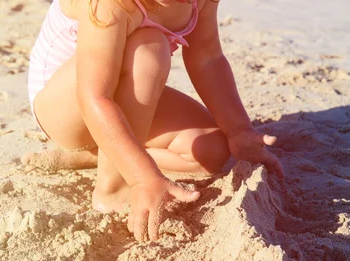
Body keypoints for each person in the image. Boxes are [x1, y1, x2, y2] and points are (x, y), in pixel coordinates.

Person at [23, 0, 284, 241]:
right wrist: (141, 178)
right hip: (66, 107)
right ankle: (112, 188)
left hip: (118, 91)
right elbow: (94, 96)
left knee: (210, 151)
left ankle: (98, 154)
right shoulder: (110, 4)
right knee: (150, 48)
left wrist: (238, 130)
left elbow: (208, 60)